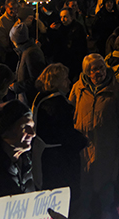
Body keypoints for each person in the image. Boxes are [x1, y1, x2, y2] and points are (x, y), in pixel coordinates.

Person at [69, 54, 119, 219]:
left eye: (101, 67)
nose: (98, 72)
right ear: (87, 72)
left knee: (106, 179)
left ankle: (106, 212)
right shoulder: (78, 88)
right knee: (85, 177)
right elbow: (70, 110)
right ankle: (85, 208)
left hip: (106, 143)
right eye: (93, 69)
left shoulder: (116, 89)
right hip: (84, 143)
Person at [32, 63, 86, 197]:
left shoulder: (40, 97)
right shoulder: (58, 105)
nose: (69, 82)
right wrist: (83, 140)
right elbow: (65, 134)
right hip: (58, 159)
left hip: (43, 154)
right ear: (56, 81)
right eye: (65, 79)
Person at [9, 22, 46, 106]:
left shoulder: (30, 53)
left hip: (30, 98)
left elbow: (36, 79)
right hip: (26, 96)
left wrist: (16, 86)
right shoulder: (25, 50)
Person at [0, 0, 19, 67]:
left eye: (16, 9)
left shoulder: (18, 18)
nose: (14, 11)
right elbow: (4, 43)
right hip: (8, 55)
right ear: (6, 8)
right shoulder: (1, 22)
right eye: (11, 8)